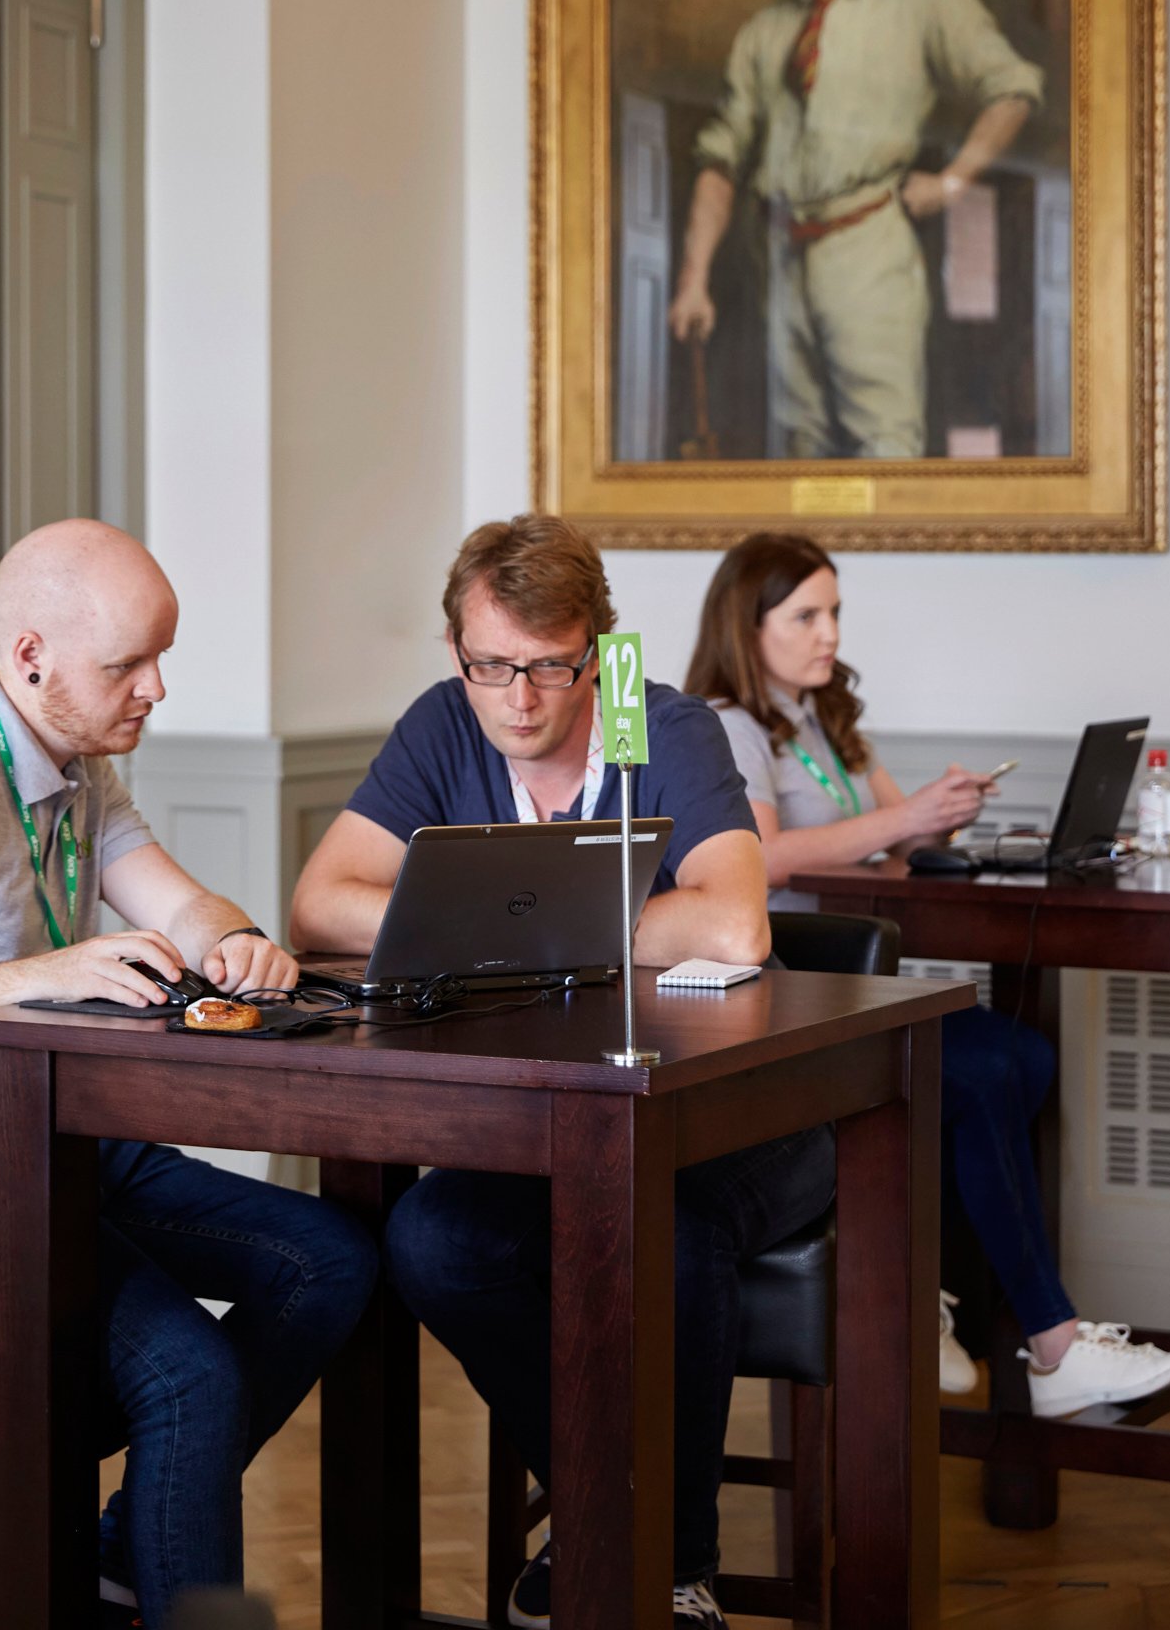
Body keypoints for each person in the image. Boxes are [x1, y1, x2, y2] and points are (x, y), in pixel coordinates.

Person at [291, 513, 835, 1630]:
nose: (520, 700)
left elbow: (735, 928)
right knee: (431, 1237)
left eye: (549, 667)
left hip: (745, 1113)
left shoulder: (654, 715)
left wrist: (518, 919)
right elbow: (319, 902)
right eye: (492, 666)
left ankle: (670, 1564)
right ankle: (606, 1506)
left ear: (596, 648)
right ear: (458, 651)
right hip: (566, 1122)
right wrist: (592, 916)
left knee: (665, 1225)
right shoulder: (446, 720)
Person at [0, 520, 377, 1630]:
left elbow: (182, 903)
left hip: (37, 1130)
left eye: (158, 657)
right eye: (127, 663)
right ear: (31, 654)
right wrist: (43, 977)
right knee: (189, 1371)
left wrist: (234, 938)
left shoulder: (76, 762)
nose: (156, 687)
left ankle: (132, 1549)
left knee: (328, 1257)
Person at [684, 531, 1170, 1418]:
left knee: (1019, 1059)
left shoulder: (824, 720)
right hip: (794, 1004)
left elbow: (894, 832)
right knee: (991, 1067)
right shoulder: (729, 724)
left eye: (834, 613)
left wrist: (938, 818)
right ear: (747, 623)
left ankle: (928, 1286)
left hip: (859, 993)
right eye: (805, 615)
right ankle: (1046, 1343)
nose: (828, 634)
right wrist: (905, 820)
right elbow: (762, 859)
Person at [667, 0, 1044, 459]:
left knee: (886, 442)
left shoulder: (922, 2)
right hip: (780, 256)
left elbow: (1014, 89)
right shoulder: (765, 30)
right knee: (796, 450)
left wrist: (952, 183)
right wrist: (693, 279)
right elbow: (720, 157)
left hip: (868, 241)